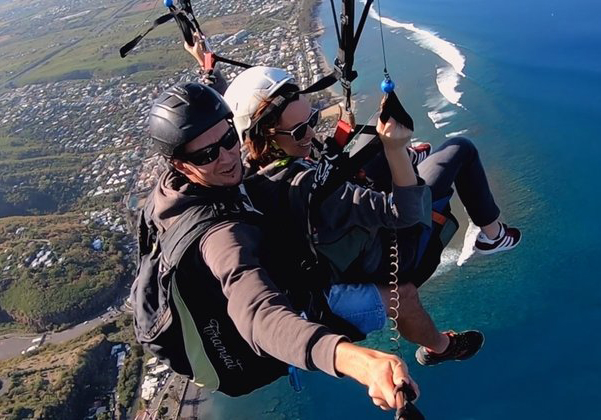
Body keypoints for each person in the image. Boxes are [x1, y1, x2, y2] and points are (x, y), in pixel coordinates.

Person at [134, 81, 419, 410]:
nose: (227, 157)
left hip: (234, 295)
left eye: (229, 140)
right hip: (248, 350)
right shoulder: (220, 237)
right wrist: (359, 363)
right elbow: (259, 315)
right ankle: (437, 346)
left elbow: (209, 128)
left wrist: (208, 71)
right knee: (405, 293)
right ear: (181, 165)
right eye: (208, 155)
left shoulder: (172, 190)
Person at [221, 65, 522, 366]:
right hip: (388, 255)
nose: (311, 132)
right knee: (459, 150)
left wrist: (210, 70)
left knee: (367, 142)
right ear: (268, 136)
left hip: (335, 248)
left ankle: (403, 159)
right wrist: (395, 150)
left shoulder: (251, 170)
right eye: (300, 130)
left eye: (311, 119)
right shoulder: (313, 190)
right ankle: (492, 236)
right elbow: (405, 214)